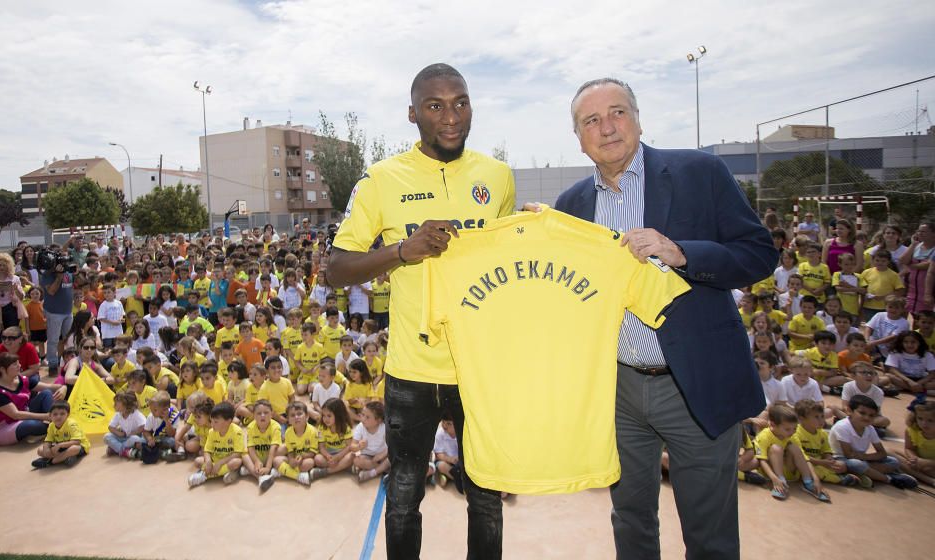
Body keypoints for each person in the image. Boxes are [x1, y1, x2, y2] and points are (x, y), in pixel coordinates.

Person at [547, 77, 776, 559]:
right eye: (591, 120)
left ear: (638, 119)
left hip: (693, 384)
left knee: (709, 533)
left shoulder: (701, 172)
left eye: (617, 112)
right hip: (618, 391)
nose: (607, 128)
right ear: (578, 136)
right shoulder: (570, 208)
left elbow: (759, 254)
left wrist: (682, 253)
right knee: (630, 521)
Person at [327, 63, 514, 559]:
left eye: (461, 103)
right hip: (412, 371)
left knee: (486, 497)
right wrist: (400, 252)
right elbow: (336, 268)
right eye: (435, 105)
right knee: (405, 497)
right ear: (412, 114)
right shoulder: (381, 180)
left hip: (478, 368)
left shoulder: (497, 177)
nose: (451, 117)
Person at [829, 395, 918, 489]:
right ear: (849, 411)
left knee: (893, 461)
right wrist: (865, 459)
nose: (867, 418)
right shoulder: (842, 427)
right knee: (855, 464)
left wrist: (865, 458)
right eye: (862, 413)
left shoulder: (870, 429)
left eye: (871, 415)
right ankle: (889, 479)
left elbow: (882, 453)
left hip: (862, 459)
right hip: (841, 459)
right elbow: (849, 455)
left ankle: (865, 473)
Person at [0, 353, 66, 446]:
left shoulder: (21, 380)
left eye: (18, 363)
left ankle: (52, 425)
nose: (19, 366)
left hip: (22, 415)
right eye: (15, 364)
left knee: (46, 393)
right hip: (3, 428)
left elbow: (49, 387)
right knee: (30, 425)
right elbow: (16, 415)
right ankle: (55, 425)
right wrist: (46, 416)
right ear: (2, 369)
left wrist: (63, 387)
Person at [753, 404, 829, 501]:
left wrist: (815, 479)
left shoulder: (793, 436)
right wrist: (774, 479)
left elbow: (804, 457)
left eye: (795, 428)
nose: (792, 432)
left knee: (795, 448)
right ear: (772, 425)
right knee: (776, 448)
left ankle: (808, 482)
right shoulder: (764, 436)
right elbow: (761, 460)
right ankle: (780, 483)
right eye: (787, 429)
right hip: (771, 474)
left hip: (790, 472)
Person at [188, 401, 244, 487]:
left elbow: (237, 454)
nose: (212, 424)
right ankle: (226, 472)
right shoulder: (211, 432)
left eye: (216, 422)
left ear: (228, 421)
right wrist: (208, 461)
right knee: (197, 461)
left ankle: (205, 475)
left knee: (237, 462)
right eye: (211, 421)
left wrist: (220, 463)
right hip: (215, 460)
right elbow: (207, 450)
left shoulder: (237, 432)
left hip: (227, 460)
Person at [40, 257, 75, 377]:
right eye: (61, 262)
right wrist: (59, 277)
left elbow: (77, 285)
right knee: (53, 340)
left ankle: (71, 363)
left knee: (70, 339)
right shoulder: (47, 275)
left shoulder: (68, 272)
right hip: (54, 312)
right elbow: (51, 291)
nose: (64, 264)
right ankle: (53, 365)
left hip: (68, 311)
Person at [32, 401, 89, 469]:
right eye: (55, 414)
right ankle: (65, 457)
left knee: (73, 449)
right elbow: (48, 441)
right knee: (40, 450)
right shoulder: (51, 426)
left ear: (67, 415)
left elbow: (77, 442)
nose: (58, 416)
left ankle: (50, 462)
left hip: (79, 446)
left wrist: (60, 445)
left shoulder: (71, 424)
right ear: (50, 416)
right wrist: (47, 449)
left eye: (62, 414)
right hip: (62, 447)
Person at [241, 399, 283, 492]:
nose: (262, 415)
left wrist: (268, 467)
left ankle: (254, 471)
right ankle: (260, 478)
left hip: (271, 456)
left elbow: (273, 448)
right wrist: (256, 461)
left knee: (284, 448)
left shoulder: (276, 426)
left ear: (271, 414)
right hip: (258, 456)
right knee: (243, 453)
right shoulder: (251, 427)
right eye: (259, 413)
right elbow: (250, 447)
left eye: (266, 412)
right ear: (254, 416)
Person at [894, 397, 935, 486]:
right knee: (889, 452)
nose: (924, 423)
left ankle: (913, 473)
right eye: (920, 418)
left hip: (931, 465)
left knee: (927, 469)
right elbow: (909, 448)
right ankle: (930, 480)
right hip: (920, 462)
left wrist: (926, 462)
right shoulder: (912, 431)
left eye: (930, 420)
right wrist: (914, 459)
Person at [900, 223, 935, 316]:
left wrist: (911, 266)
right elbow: (903, 260)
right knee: (904, 312)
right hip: (911, 288)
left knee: (922, 317)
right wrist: (913, 244)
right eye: (919, 231)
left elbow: (928, 265)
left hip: (928, 290)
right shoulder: (917, 246)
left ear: (933, 233)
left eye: (923, 231)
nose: (920, 233)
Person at [104, 391, 146, 459]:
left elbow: (144, 426)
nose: (114, 405)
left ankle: (116, 449)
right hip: (124, 438)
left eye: (116, 403)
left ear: (125, 404)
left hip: (133, 437)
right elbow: (110, 427)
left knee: (135, 439)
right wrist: (119, 434)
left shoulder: (135, 413)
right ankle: (125, 451)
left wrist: (134, 433)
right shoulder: (118, 414)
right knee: (106, 436)